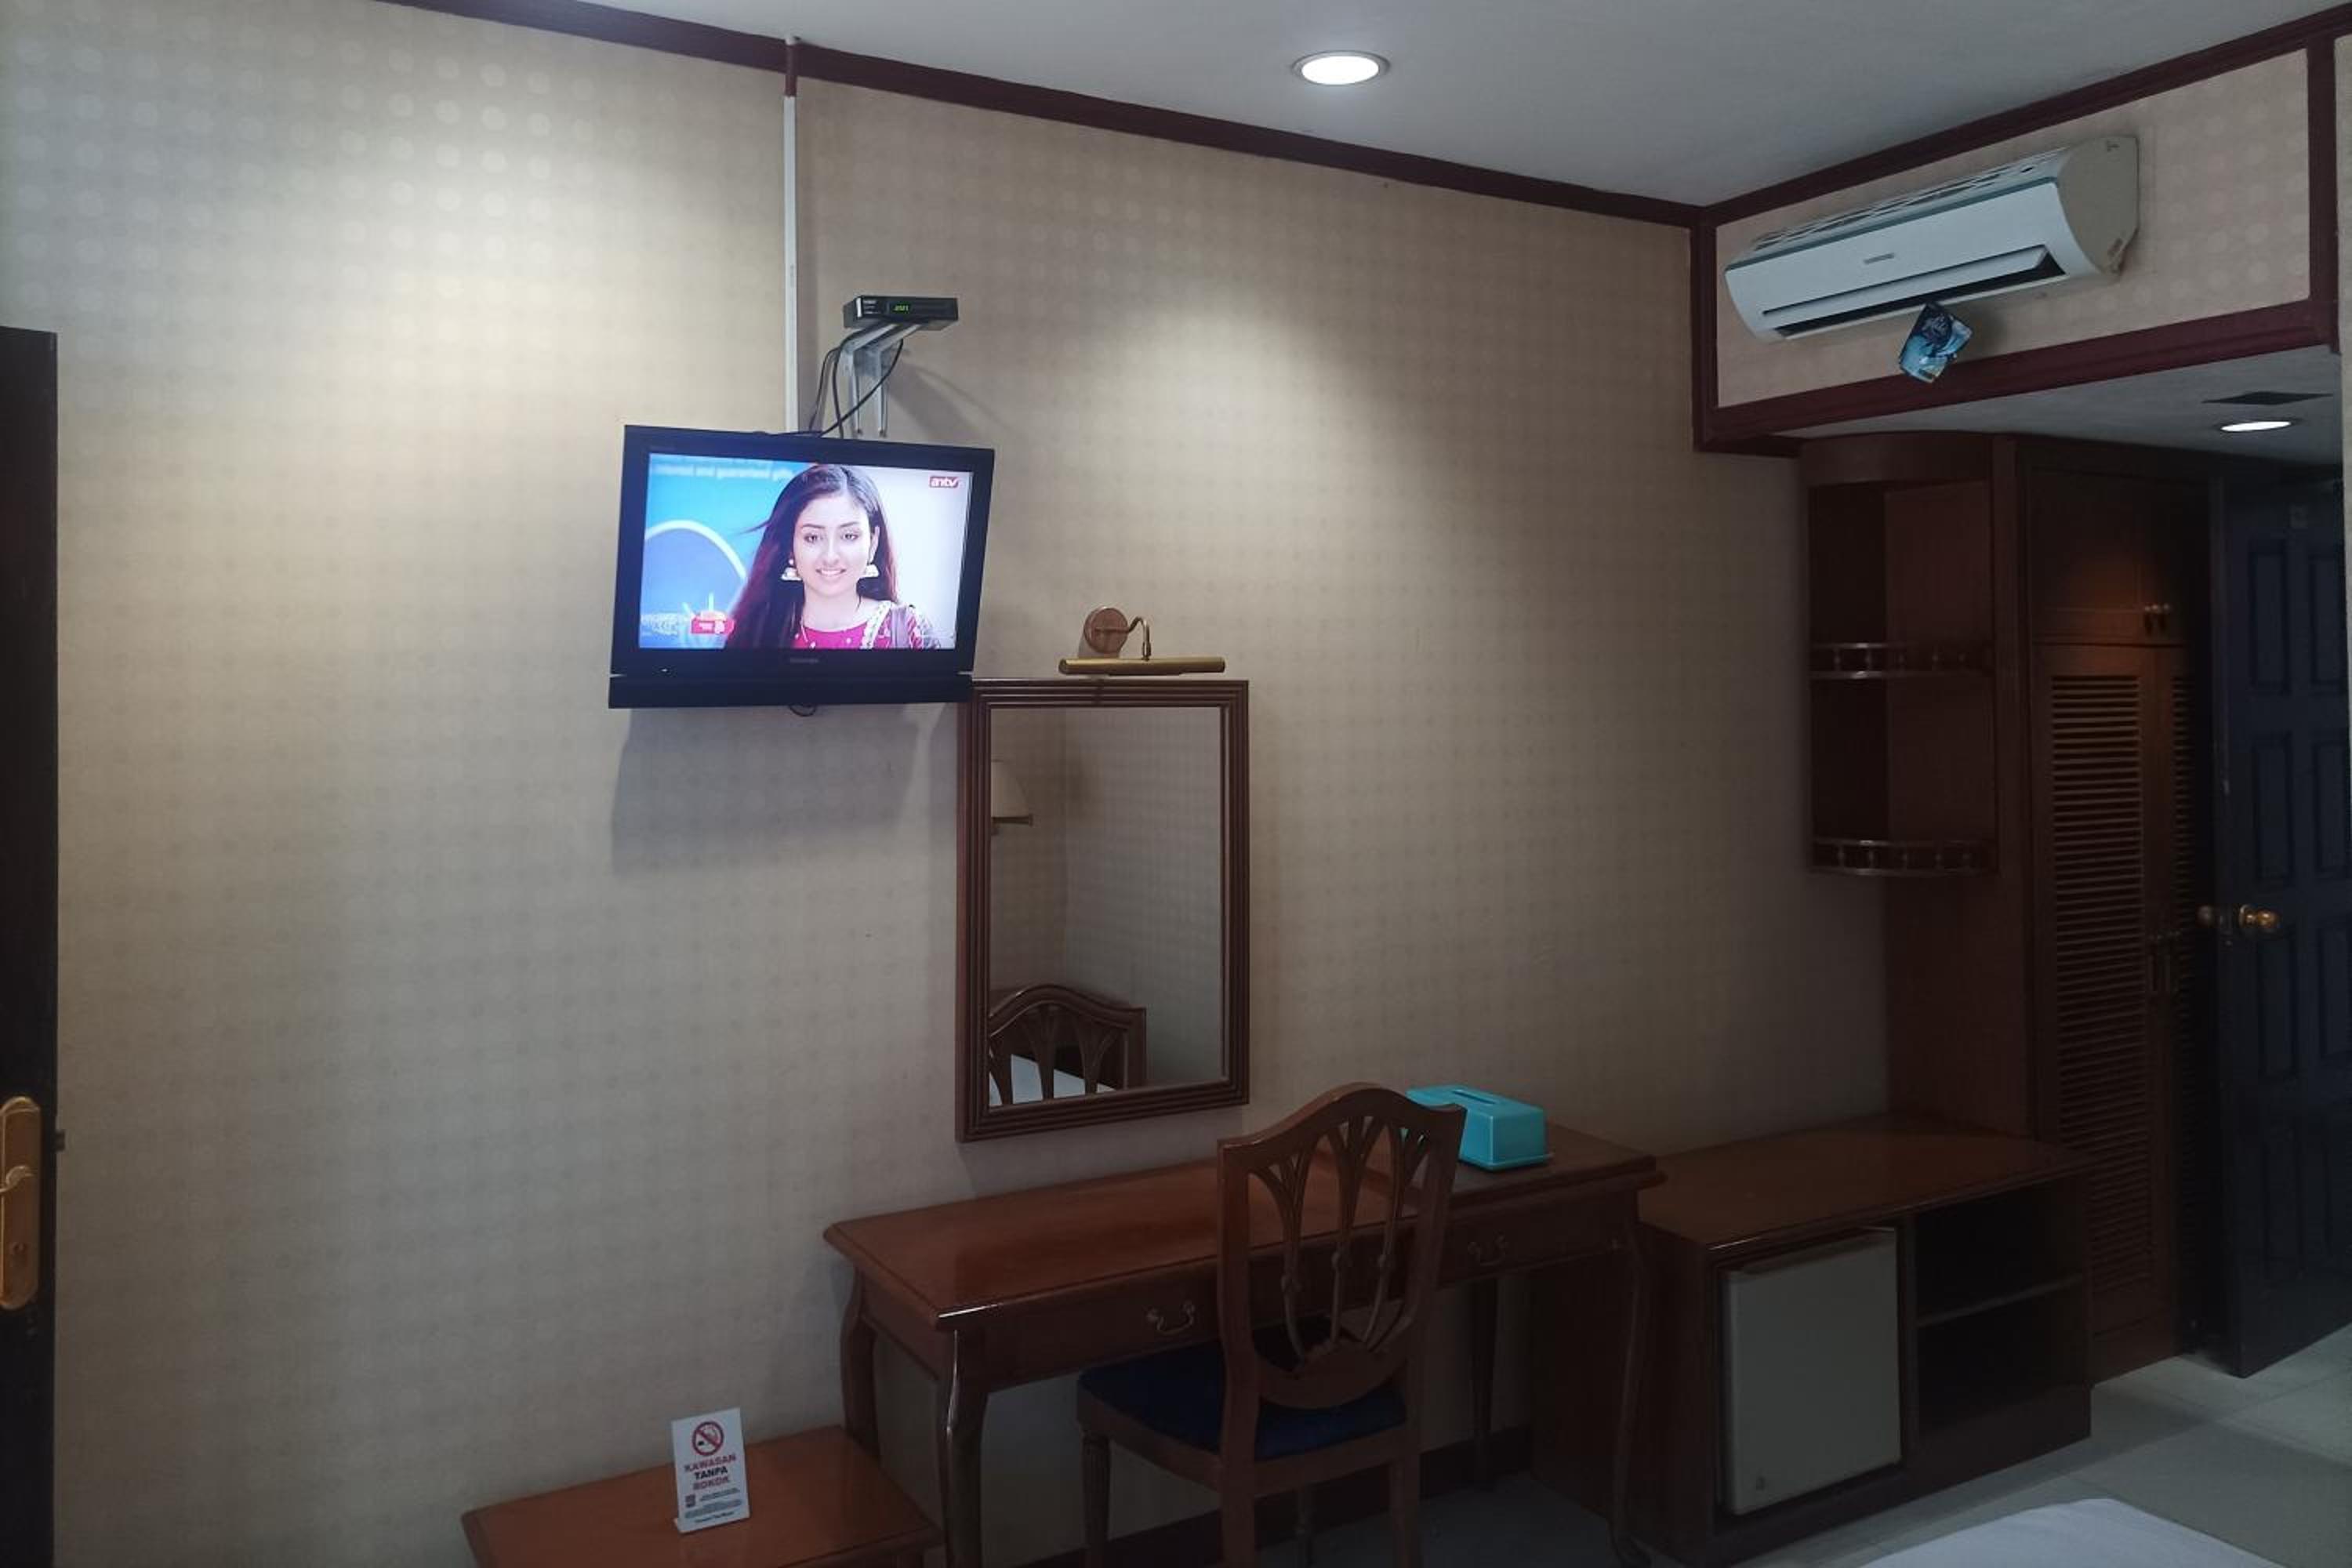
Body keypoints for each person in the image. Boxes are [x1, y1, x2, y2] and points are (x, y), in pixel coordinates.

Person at [725, 463, 940, 649]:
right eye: (812, 537)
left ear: (873, 542)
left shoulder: (907, 629)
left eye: (849, 536)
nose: (830, 556)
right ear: (790, 546)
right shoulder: (757, 631)